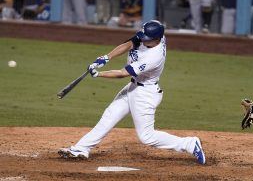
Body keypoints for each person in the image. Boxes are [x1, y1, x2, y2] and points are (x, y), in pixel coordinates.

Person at [58, 20, 206, 165]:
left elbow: (123, 73)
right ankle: (81, 149)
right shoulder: (153, 31)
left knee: (147, 137)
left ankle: (189, 144)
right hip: (132, 88)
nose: (142, 39)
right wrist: (106, 57)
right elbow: (130, 43)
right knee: (109, 116)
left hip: (145, 94)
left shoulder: (153, 57)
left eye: (146, 39)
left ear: (157, 39)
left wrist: (99, 74)